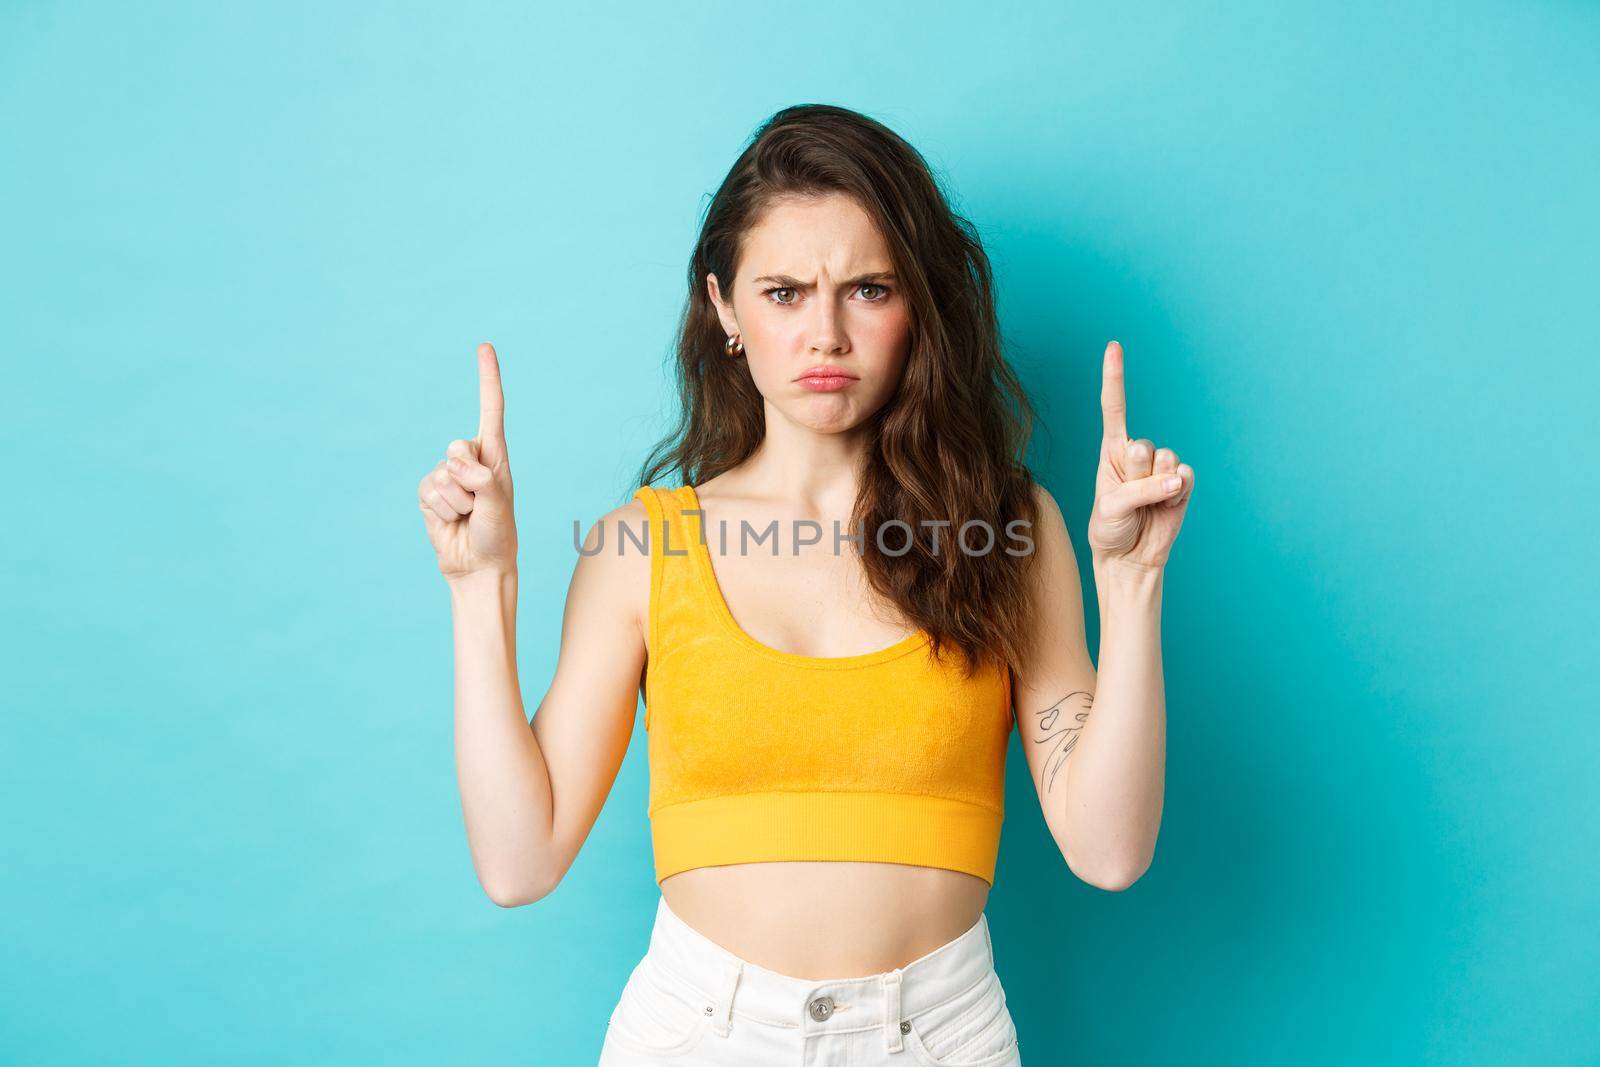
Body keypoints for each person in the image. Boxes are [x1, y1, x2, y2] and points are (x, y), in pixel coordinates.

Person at [415, 104, 1193, 1066]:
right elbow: (518, 860)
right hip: (696, 1033)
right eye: (783, 292)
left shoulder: (1008, 529)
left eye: (868, 288)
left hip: (941, 1036)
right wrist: (479, 585)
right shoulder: (640, 549)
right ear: (724, 308)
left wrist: (1132, 581)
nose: (825, 333)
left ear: (921, 308)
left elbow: (1108, 851)